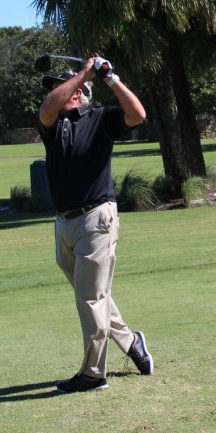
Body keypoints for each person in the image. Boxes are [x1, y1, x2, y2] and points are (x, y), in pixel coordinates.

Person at [37, 54, 154, 393]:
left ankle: (93, 372)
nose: (56, 92)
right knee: (94, 294)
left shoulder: (101, 119)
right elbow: (47, 107)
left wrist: (109, 79)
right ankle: (131, 342)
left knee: (89, 297)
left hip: (96, 219)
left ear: (78, 92)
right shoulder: (52, 124)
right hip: (64, 224)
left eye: (62, 86)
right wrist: (85, 72)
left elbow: (138, 114)